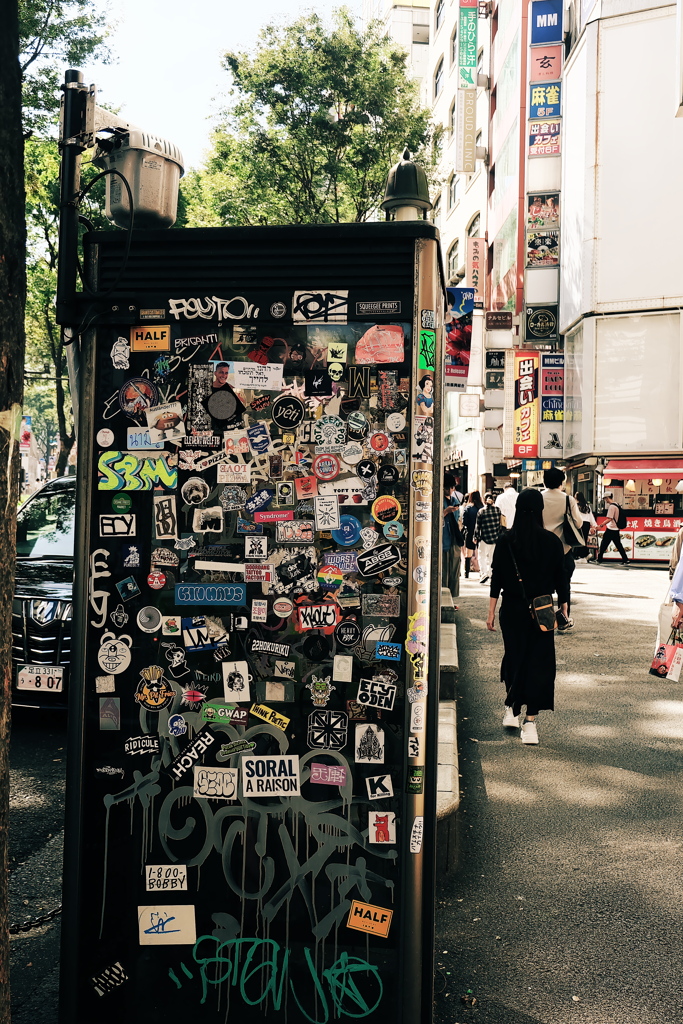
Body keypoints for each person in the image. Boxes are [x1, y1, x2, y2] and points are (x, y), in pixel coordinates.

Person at [486, 487, 569, 745]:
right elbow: (562, 581)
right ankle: (530, 723)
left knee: (515, 657)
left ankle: (512, 709)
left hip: (511, 610)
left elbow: (496, 580)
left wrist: (490, 612)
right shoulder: (551, 541)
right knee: (539, 664)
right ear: (540, 511)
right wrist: (564, 609)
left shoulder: (506, 541)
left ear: (518, 510)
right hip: (542, 610)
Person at [541, 467, 584, 631]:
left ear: (544, 481)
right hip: (563, 549)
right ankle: (564, 617)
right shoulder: (568, 500)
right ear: (561, 482)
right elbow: (579, 523)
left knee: (543, 585)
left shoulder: (539, 497)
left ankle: (543, 618)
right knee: (564, 584)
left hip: (542, 549)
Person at [442, 472, 462, 604]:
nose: (450, 490)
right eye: (448, 487)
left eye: (452, 487)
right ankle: (443, 600)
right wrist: (445, 512)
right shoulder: (437, 500)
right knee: (443, 572)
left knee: (454, 571)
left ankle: (451, 600)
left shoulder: (454, 500)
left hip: (454, 540)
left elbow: (458, 520)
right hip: (443, 541)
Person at [473, 492, 502, 583]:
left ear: (485, 500)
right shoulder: (497, 510)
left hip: (484, 537)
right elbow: (500, 524)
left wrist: (475, 537)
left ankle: (484, 573)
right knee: (492, 557)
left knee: (481, 556)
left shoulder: (481, 511)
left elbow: (478, 526)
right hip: (495, 538)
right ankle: (491, 574)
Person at [597, 492, 630, 565]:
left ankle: (599, 559)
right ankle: (625, 559)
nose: (605, 500)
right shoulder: (617, 504)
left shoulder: (612, 506)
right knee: (618, 545)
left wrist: (601, 525)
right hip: (616, 528)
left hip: (611, 528)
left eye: (605, 499)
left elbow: (609, 518)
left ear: (607, 498)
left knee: (604, 544)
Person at [462, 490, 484, 578]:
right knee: (481, 553)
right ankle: (482, 572)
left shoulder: (468, 508)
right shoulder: (482, 508)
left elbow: (465, 522)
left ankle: (466, 572)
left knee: (468, 553)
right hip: (481, 532)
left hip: (470, 532)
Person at [574, 491, 597, 561]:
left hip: (580, 523)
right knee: (584, 539)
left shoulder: (576, 505)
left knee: (579, 539)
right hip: (587, 524)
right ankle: (583, 554)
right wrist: (594, 525)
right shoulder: (587, 505)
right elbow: (590, 516)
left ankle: (583, 554)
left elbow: (575, 515)